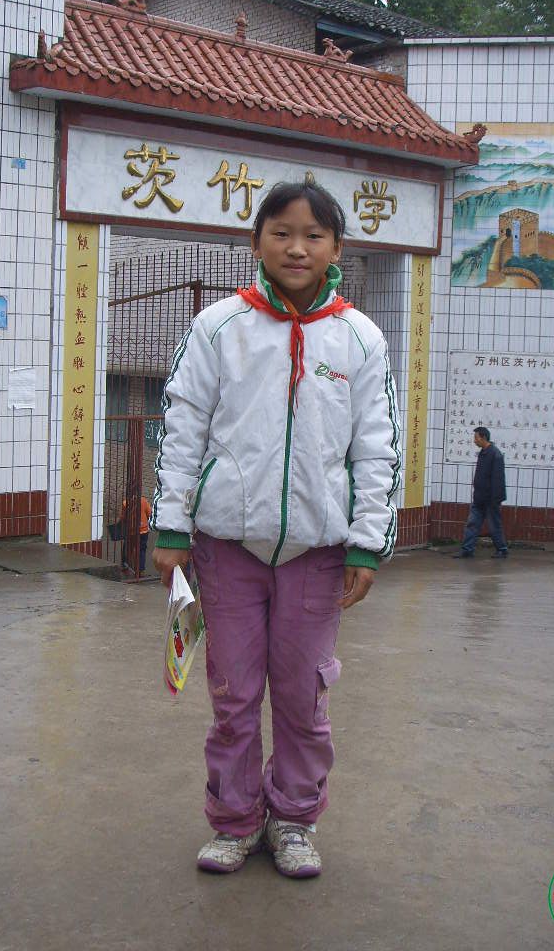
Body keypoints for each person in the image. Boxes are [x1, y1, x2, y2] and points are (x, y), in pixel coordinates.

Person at [151, 180, 401, 879]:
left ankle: (293, 820)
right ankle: (233, 822)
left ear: (337, 248)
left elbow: (376, 446)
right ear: (256, 240)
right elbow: (182, 426)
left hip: (318, 553)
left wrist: (367, 541)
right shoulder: (219, 327)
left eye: (313, 235)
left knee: (302, 698)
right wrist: (170, 525)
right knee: (233, 696)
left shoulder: (359, 337)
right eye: (281, 232)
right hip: (227, 547)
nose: (297, 248)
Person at [454, 426, 508, 558]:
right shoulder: (483, 453)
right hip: (479, 497)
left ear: (483, 437)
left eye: (476, 438)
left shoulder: (495, 454)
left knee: (494, 525)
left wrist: (495, 500)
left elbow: (498, 479)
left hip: (491, 499)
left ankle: (502, 549)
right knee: (472, 524)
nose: (474, 441)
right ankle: (467, 550)